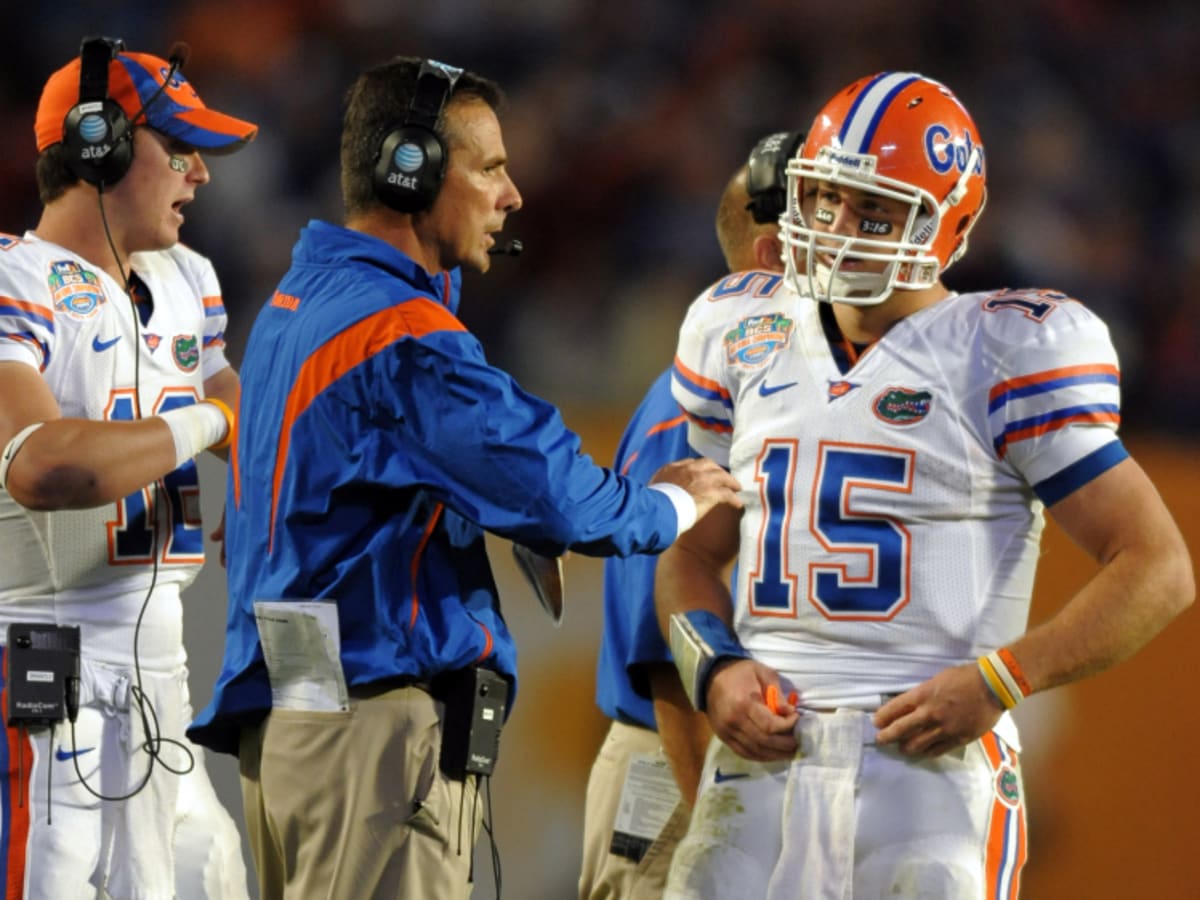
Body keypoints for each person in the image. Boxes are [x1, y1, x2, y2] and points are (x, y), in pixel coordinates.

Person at [184, 55, 741, 900]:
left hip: (300, 723)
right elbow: (555, 489)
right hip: (370, 742)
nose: (511, 194)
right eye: (489, 167)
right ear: (412, 171)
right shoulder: (396, 332)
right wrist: (672, 502)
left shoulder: (302, 298)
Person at [658, 71, 1194, 898]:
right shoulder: (741, 329)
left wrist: (1000, 681)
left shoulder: (1002, 349)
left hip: (929, 771)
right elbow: (691, 556)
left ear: (953, 225)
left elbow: (1157, 567)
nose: (842, 231)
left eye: (878, 213)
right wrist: (715, 668)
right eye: (830, 200)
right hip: (760, 763)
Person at [0, 37, 256, 899]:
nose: (200, 173)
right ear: (98, 144)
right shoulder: (14, 282)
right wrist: (206, 420)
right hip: (44, 661)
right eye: (179, 148)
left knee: (206, 874)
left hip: (162, 669)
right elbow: (45, 466)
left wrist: (257, 478)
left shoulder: (187, 278)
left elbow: (243, 417)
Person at [579, 130, 801, 900]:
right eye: (827, 224)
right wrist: (722, 824)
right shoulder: (707, 389)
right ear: (774, 252)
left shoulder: (778, 381)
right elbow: (664, 639)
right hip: (677, 760)